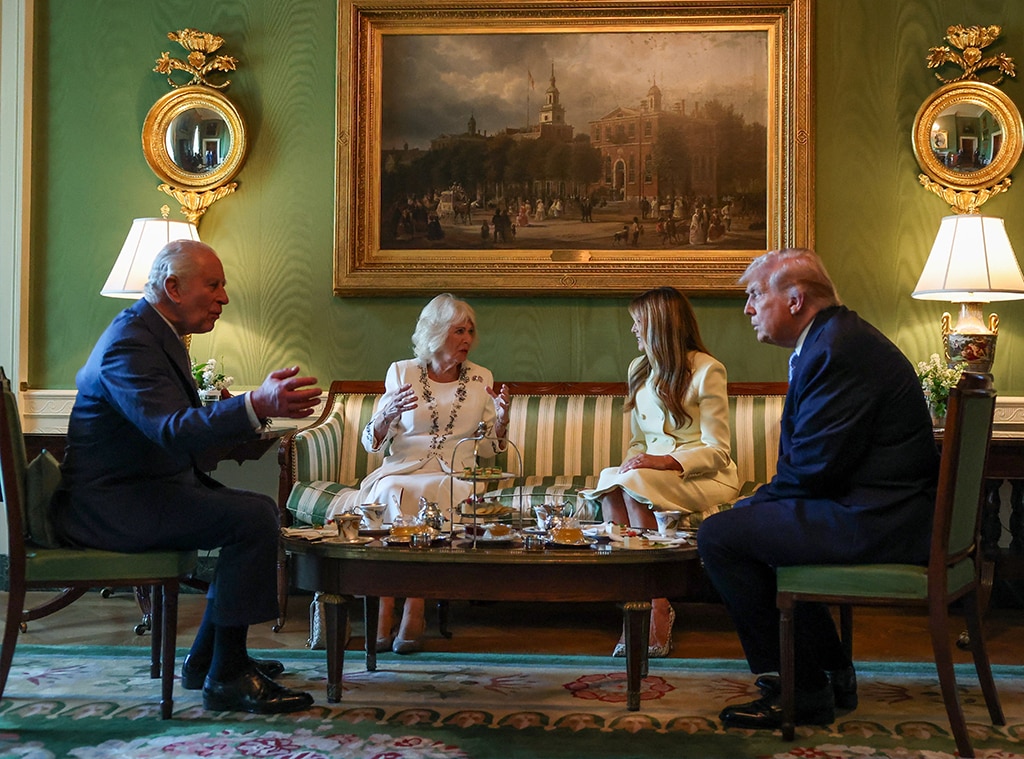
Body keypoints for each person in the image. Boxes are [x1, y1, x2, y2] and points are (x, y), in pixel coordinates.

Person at [54, 240, 323, 715]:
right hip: (110, 508)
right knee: (251, 518)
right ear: (173, 288)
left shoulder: (155, 334)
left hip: (140, 492)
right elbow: (171, 429)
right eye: (213, 285)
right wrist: (254, 404)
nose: (224, 297)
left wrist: (250, 418)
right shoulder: (130, 342)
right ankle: (227, 675)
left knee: (254, 512)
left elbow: (177, 433)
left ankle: (207, 662)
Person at [697, 248, 940, 730]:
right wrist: (757, 507)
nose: (747, 309)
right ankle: (829, 670)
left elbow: (811, 469)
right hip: (878, 508)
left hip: (878, 520)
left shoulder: (836, 350)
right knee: (750, 528)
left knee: (720, 537)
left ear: (794, 299)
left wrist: (749, 506)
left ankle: (800, 688)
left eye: (755, 295)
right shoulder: (836, 340)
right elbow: (819, 464)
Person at [326, 293, 511, 655]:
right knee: (390, 490)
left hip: (455, 472)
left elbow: (489, 449)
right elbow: (373, 443)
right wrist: (385, 416)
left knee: (442, 490)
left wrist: (502, 423)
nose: (468, 339)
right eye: (459, 331)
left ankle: (415, 604)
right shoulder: (402, 372)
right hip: (403, 467)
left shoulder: (481, 378)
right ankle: (384, 605)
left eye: (471, 331)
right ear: (436, 332)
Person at [583, 287, 739, 658]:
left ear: (660, 325)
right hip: (650, 476)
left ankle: (655, 607)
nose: (633, 330)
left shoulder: (707, 370)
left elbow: (718, 451)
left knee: (634, 482)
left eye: (638, 322)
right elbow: (638, 443)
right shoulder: (638, 369)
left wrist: (664, 462)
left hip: (703, 477)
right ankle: (638, 600)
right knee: (612, 481)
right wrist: (631, 465)